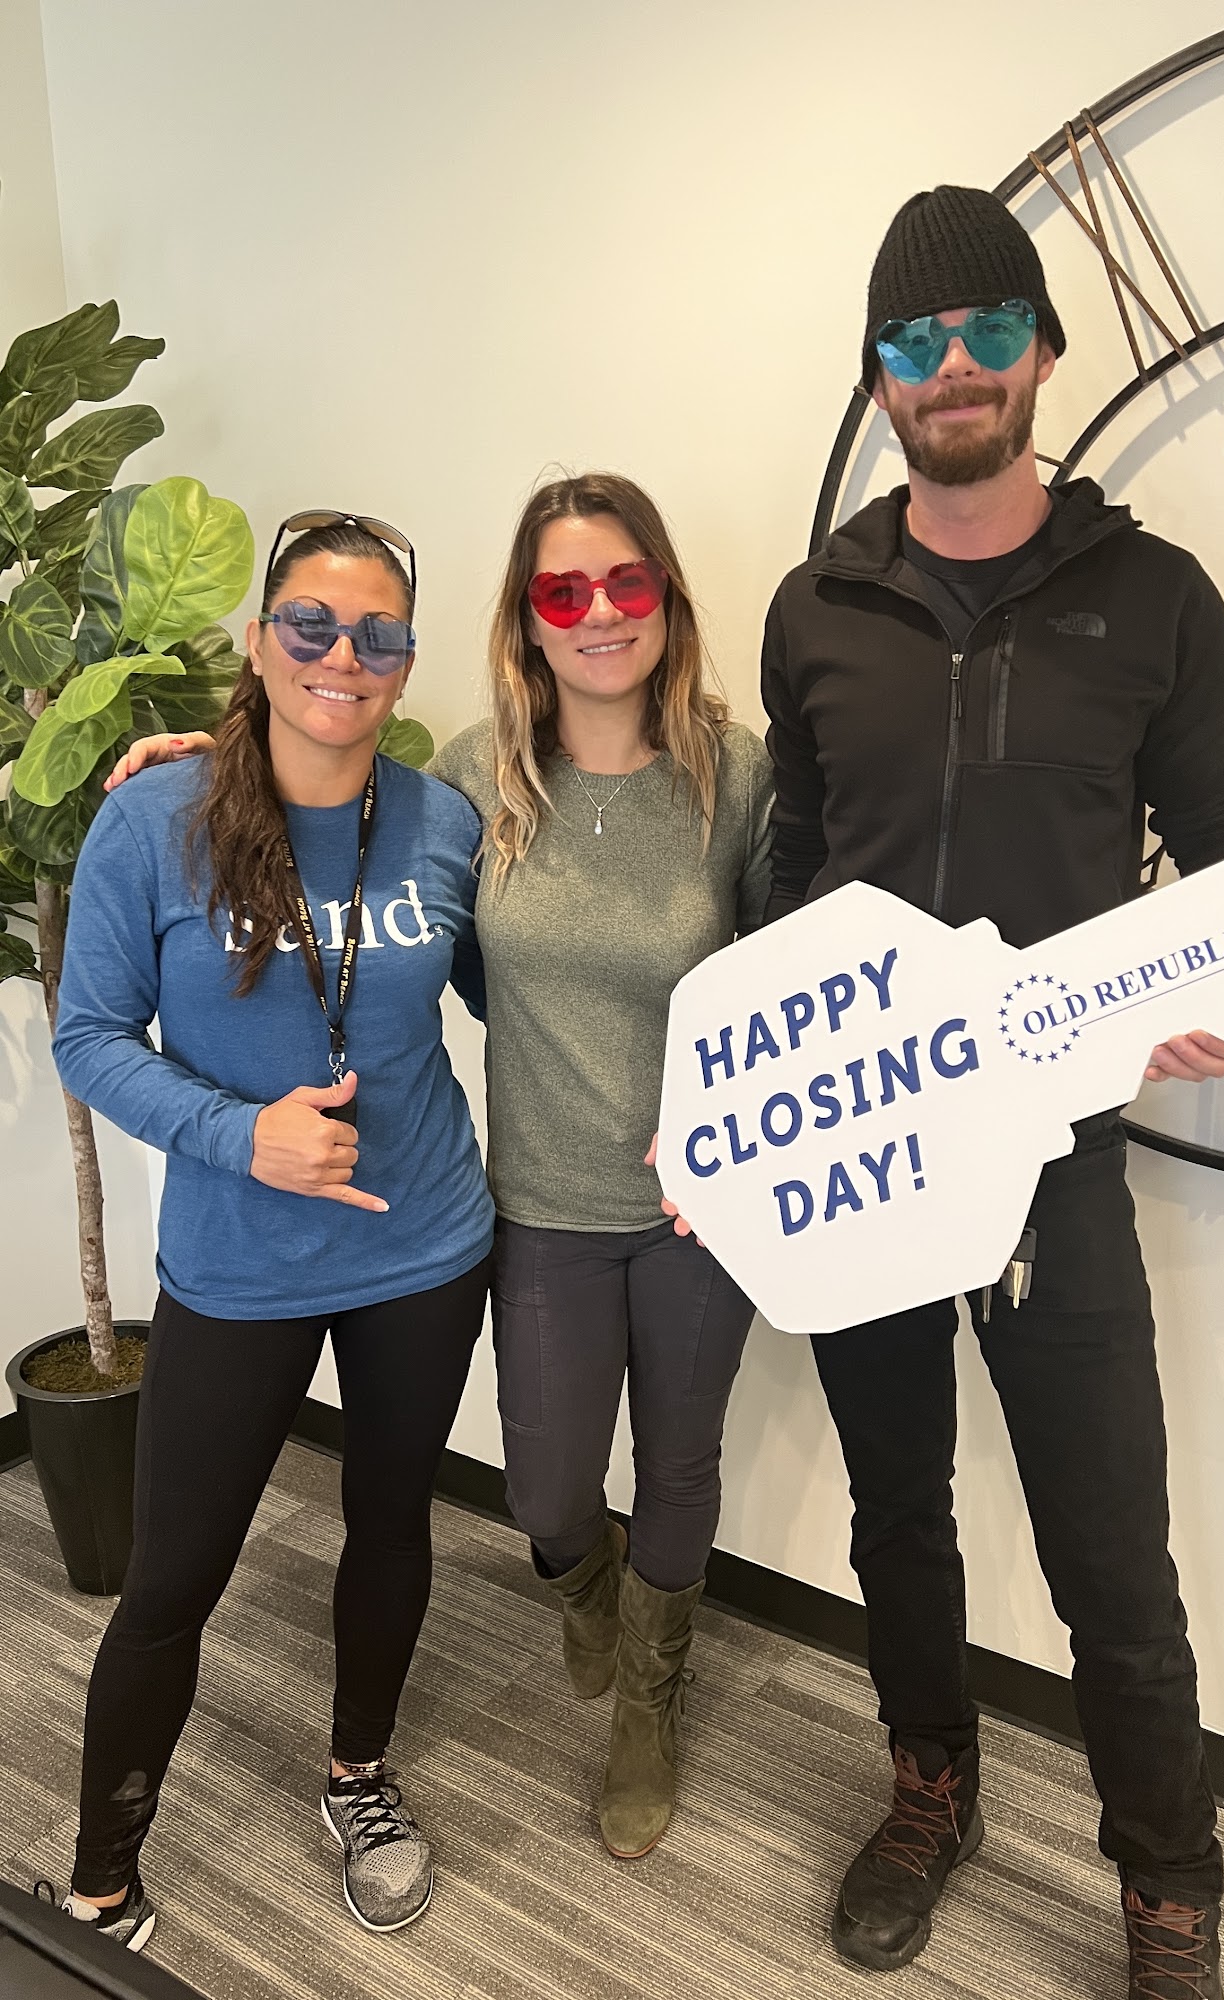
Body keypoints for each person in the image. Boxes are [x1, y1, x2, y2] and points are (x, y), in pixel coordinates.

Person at [751, 187, 1224, 1994]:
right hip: (867, 1149)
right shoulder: (815, 605)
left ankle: (1169, 1883)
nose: (953, 365)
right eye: (915, 339)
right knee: (897, 1511)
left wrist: (1206, 988)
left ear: (1042, 349)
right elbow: (793, 874)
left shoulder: (1155, 595)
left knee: (1108, 1551)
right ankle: (930, 1789)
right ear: (877, 376)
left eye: (986, 330)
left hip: (1053, 1159)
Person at [106, 472, 773, 1864]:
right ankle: (590, 1594)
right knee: (544, 1494)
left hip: (688, 1202)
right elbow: (332, 814)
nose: (598, 613)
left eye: (627, 583)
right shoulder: (477, 781)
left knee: (676, 1465)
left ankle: (645, 1704)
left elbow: (793, 974)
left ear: (668, 598)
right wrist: (205, 753)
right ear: (524, 618)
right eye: (561, 590)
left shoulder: (736, 775)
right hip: (529, 1202)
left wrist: (740, 1114)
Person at [47, 514, 494, 1950]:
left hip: (426, 1246)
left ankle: (358, 1774)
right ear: (257, 641)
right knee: (173, 1576)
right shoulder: (153, 819)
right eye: (308, 623)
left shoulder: (443, 820)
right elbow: (88, 1037)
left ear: (405, 663)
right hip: (239, 1261)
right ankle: (101, 1877)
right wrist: (245, 1136)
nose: (340, 656)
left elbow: (530, 993)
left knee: (390, 1527)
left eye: (376, 634)